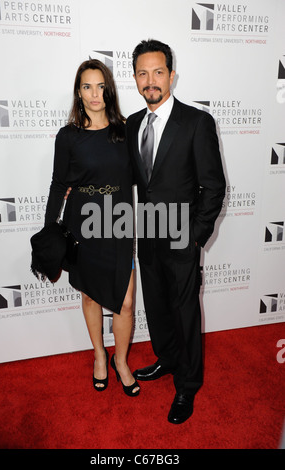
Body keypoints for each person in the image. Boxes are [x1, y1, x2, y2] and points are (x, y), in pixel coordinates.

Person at [126, 40, 225, 422]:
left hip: (183, 239)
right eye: (142, 73)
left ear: (171, 75)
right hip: (147, 236)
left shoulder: (197, 122)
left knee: (185, 313)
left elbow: (213, 187)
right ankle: (166, 360)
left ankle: (187, 385)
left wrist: (196, 234)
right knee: (158, 307)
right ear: (135, 77)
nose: (150, 80)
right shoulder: (134, 124)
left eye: (158, 72)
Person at [45, 59, 140, 396]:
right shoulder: (68, 136)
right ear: (78, 92)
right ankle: (100, 355)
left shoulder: (126, 130)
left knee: (126, 302)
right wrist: (49, 231)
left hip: (118, 224)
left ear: (109, 89)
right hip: (82, 223)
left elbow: (144, 178)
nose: (95, 93)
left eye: (100, 85)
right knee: (90, 295)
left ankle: (122, 360)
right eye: (87, 86)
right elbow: (59, 185)